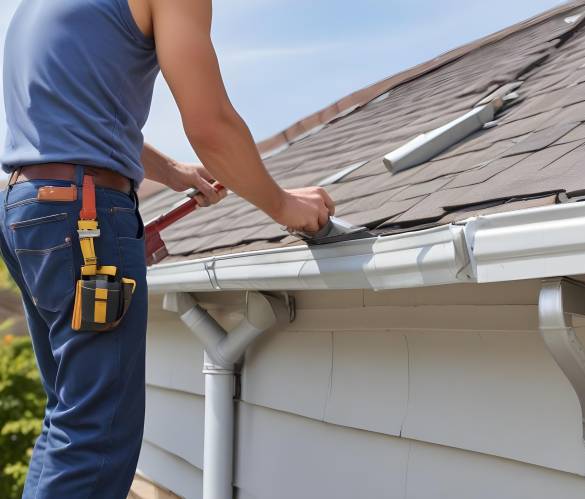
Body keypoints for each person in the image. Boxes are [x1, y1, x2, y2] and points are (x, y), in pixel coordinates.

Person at [0, 0, 335, 497]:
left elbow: (82, 113)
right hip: (84, 214)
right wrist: (282, 204)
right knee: (96, 432)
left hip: (30, 208)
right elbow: (210, 123)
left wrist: (174, 174)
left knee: (72, 418)